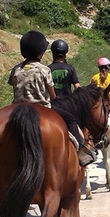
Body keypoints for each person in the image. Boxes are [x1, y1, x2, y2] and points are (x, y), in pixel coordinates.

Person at [8, 31, 95, 167]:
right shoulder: (44, 70)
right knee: (71, 120)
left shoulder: (16, 69)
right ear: (41, 52)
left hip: (17, 108)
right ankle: (79, 152)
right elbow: (52, 96)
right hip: (42, 107)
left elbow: (14, 88)